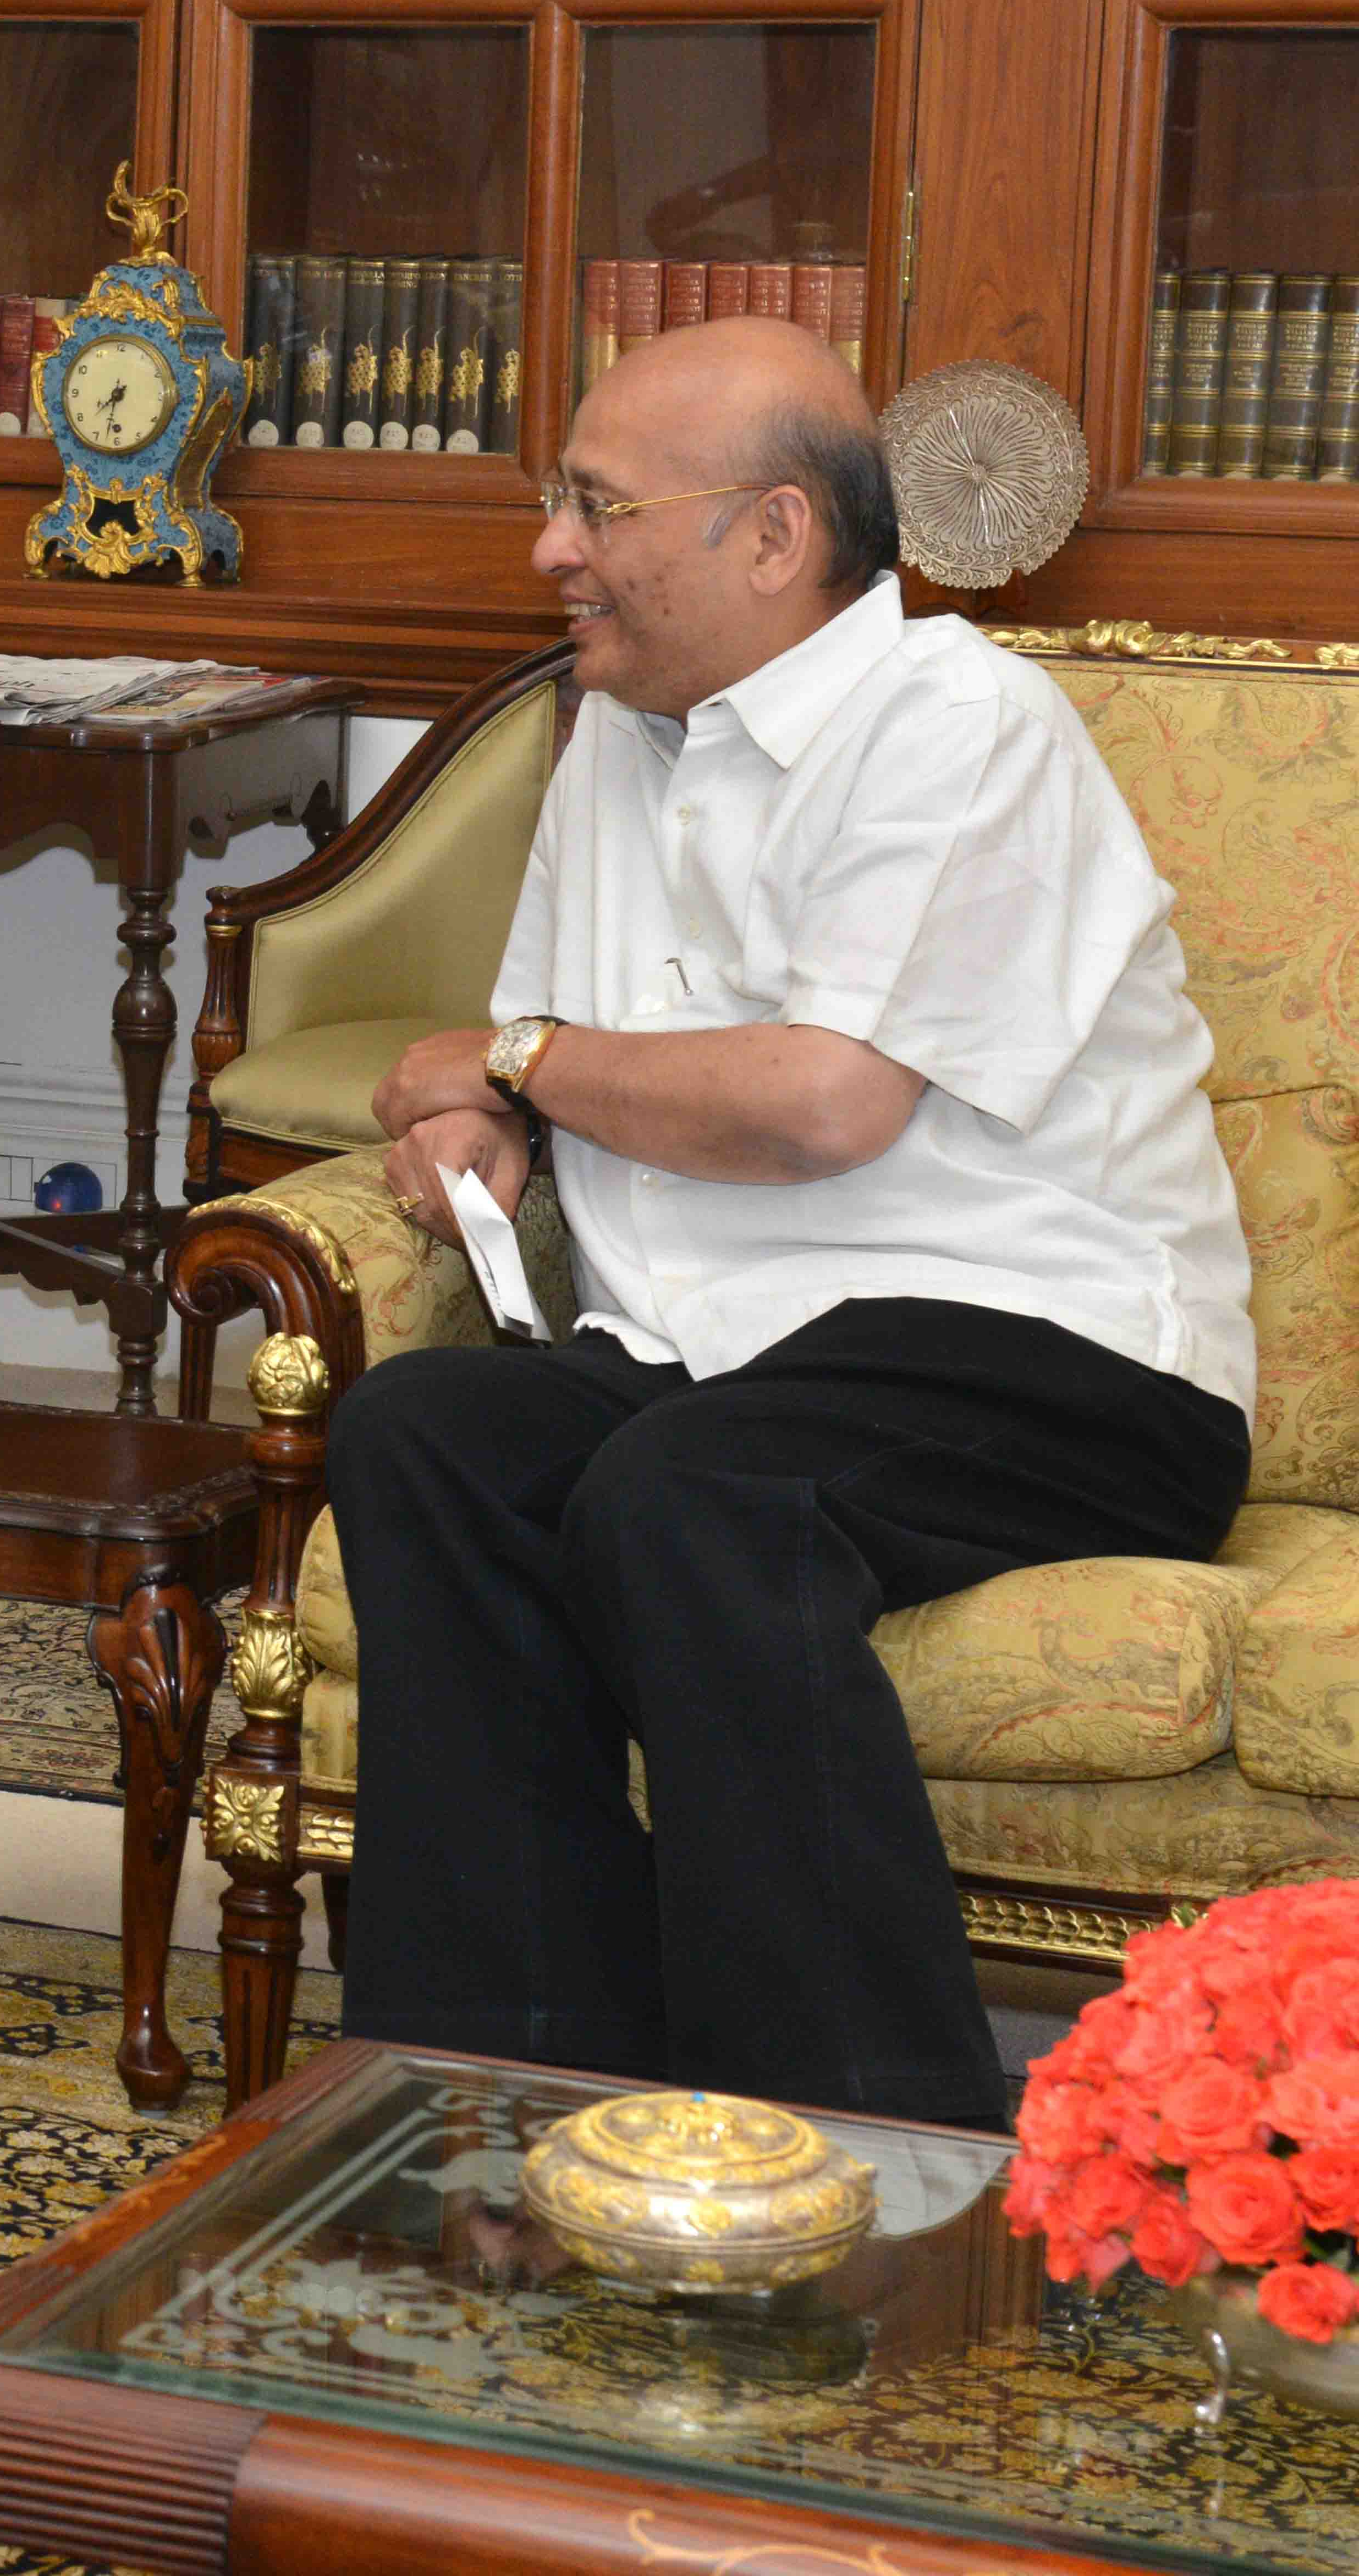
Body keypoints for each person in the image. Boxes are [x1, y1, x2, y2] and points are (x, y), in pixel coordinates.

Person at [333, 317, 1253, 2130]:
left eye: (596, 505)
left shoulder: (959, 720)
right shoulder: (614, 731)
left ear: (772, 536)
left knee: (696, 1499)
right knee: (428, 1431)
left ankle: (860, 2151)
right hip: (711, 1355)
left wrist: (505, 1053)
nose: (551, 550)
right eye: (554, 499)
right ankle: (499, 2106)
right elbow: (536, 1064)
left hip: (1048, 1347)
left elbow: (827, 1105)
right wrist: (470, 1120)